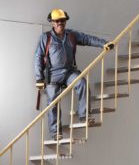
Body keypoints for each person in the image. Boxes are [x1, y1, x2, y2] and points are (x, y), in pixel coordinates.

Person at [34, 8, 114, 140]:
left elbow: (88, 39)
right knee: (52, 101)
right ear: (52, 22)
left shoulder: (71, 35)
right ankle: (55, 132)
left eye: (63, 20)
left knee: (82, 83)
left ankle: (84, 116)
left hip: (69, 71)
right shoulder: (46, 38)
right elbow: (38, 57)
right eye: (57, 21)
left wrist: (104, 43)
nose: (60, 23)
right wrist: (39, 78)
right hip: (53, 75)